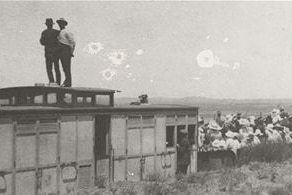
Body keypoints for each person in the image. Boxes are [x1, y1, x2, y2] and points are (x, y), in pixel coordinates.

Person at [40, 18, 61, 85]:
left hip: (48, 51)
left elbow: (42, 42)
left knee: (49, 68)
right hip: (56, 52)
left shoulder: (44, 32)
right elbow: (60, 41)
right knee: (56, 68)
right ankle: (58, 82)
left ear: (46, 25)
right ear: (52, 24)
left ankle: (51, 81)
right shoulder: (57, 32)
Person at [56, 18, 76, 87]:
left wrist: (71, 52)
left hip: (66, 50)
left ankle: (68, 82)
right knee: (64, 67)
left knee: (67, 67)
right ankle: (67, 81)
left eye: (62, 23)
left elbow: (72, 42)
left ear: (64, 24)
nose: (60, 24)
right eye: (59, 23)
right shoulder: (60, 32)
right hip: (61, 50)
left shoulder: (67, 31)